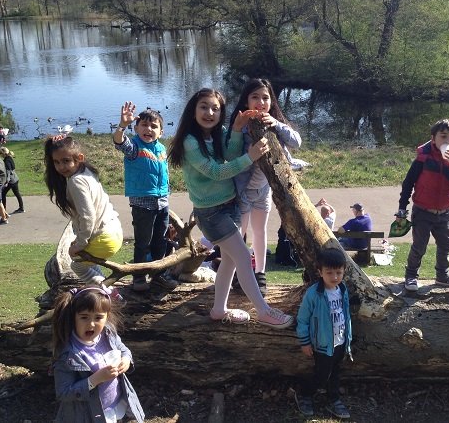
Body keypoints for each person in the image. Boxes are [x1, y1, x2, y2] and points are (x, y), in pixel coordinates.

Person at [167, 87, 294, 329]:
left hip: (231, 206)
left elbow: (230, 153)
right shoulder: (190, 142)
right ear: (193, 109)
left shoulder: (217, 133)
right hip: (211, 214)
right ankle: (264, 311)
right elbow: (216, 172)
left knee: (230, 260)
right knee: (244, 257)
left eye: (216, 108)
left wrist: (236, 129)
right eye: (204, 106)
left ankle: (218, 310)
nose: (210, 112)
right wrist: (251, 157)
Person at [227, 78, 302, 296]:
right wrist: (237, 129)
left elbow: (297, 142)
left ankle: (260, 274)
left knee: (259, 233)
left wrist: (277, 124)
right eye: (255, 97)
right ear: (246, 100)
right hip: (242, 192)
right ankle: (237, 275)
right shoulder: (240, 124)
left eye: (265, 98)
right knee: (238, 237)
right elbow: (229, 155)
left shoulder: (274, 123)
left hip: (264, 191)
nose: (260, 102)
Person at [395, 118, 449, 292]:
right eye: (443, 136)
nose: (448, 141)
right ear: (433, 138)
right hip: (423, 211)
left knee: (445, 245)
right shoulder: (423, 158)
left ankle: (443, 276)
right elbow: (408, 183)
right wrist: (402, 209)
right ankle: (411, 276)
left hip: (444, 213)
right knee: (419, 246)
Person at [52, 286, 145, 422]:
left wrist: (126, 360)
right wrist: (94, 380)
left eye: (98, 317)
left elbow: (123, 349)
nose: (91, 324)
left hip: (114, 404)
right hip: (88, 415)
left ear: (106, 317)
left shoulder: (108, 334)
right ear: (73, 318)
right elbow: (63, 392)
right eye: (84, 317)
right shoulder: (68, 354)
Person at [113, 103, 177, 292]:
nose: (148, 129)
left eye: (153, 126)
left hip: (162, 203)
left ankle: (158, 276)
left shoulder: (162, 149)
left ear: (161, 131)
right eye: (144, 125)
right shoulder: (134, 147)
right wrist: (122, 125)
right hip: (143, 205)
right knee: (142, 243)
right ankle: (139, 278)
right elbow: (119, 141)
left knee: (160, 242)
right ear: (136, 128)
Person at [44, 135, 123, 287]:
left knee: (77, 266)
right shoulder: (87, 172)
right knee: (87, 262)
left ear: (79, 158)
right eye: (57, 162)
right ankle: (104, 289)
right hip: (113, 231)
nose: (61, 167)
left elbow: (88, 216)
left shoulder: (76, 181)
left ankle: (109, 292)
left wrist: (80, 243)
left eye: (66, 161)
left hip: (103, 237)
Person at [295, 248, 352, 419]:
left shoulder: (342, 289)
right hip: (322, 344)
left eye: (338, 272)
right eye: (329, 273)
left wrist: (348, 338)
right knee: (321, 375)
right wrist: (305, 342)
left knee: (335, 373)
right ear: (320, 272)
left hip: (340, 342)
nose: (335, 277)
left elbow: (346, 314)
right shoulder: (314, 294)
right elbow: (303, 319)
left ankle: (333, 400)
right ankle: (305, 394)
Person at [0, 146, 25, 213]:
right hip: (15, 179)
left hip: (11, 181)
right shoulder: (10, 158)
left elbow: (8, 171)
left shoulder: (6, 161)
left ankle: (3, 210)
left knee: (3, 194)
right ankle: (21, 208)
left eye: (0, 153)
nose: (0, 155)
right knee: (17, 193)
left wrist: (6, 182)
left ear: (3, 153)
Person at [0, 157, 9, 224]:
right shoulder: (0, 159)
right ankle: (5, 214)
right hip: (2, 181)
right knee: (0, 201)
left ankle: (4, 219)